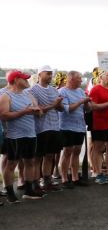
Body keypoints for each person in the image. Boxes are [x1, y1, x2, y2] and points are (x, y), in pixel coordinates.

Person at [0, 70, 42, 201]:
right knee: (11, 164)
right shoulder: (6, 96)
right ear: (16, 80)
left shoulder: (29, 95)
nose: (27, 81)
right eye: (24, 79)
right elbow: (4, 115)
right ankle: (10, 193)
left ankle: (28, 191)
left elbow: (39, 112)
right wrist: (24, 111)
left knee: (30, 162)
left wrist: (37, 111)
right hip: (15, 136)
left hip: (30, 134)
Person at [27, 66, 65, 192]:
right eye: (47, 73)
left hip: (54, 126)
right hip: (41, 128)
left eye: (51, 73)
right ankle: (35, 182)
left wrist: (59, 104)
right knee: (38, 157)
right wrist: (53, 105)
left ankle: (47, 181)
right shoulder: (32, 90)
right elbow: (37, 110)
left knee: (50, 155)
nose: (50, 76)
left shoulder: (54, 90)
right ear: (40, 74)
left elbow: (61, 109)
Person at [58, 71, 91, 188]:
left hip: (79, 126)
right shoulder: (62, 91)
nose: (81, 80)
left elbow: (88, 109)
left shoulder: (81, 91)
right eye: (79, 78)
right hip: (66, 126)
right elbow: (67, 109)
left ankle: (75, 177)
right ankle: (64, 178)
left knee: (77, 151)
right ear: (71, 79)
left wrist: (86, 103)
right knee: (67, 151)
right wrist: (82, 101)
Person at [88, 69, 108, 184]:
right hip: (100, 124)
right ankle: (98, 173)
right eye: (107, 75)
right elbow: (93, 106)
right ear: (100, 77)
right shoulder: (96, 89)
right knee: (98, 149)